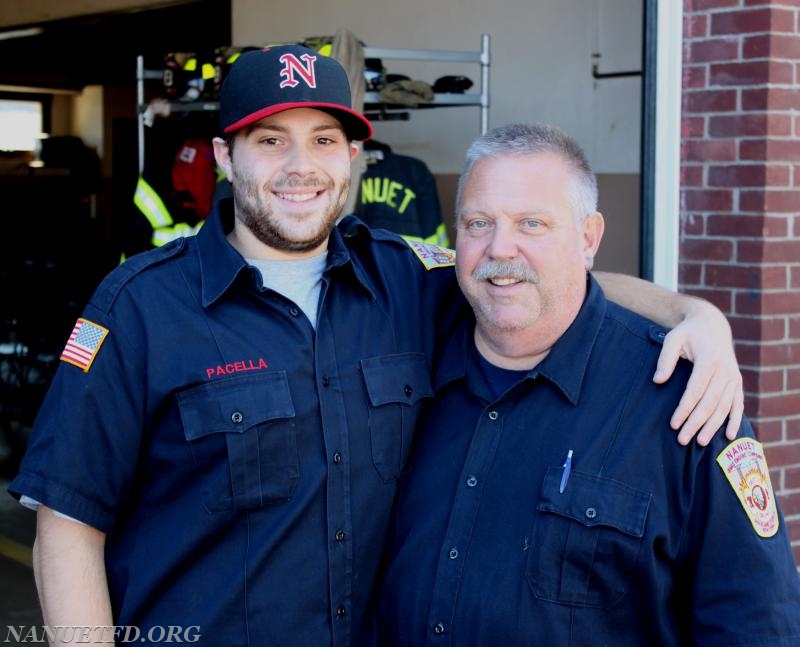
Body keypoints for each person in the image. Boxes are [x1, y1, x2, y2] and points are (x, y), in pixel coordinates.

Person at [9, 47, 740, 647]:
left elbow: (530, 274)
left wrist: (693, 311)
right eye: (271, 141)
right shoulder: (139, 306)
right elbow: (69, 526)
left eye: (324, 140)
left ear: (354, 156)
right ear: (227, 158)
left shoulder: (401, 277)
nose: (302, 166)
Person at [375, 123, 800, 646]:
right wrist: (694, 309)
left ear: (588, 237)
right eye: (478, 222)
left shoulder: (684, 401)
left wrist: (700, 316)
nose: (499, 247)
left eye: (532, 223)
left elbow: (754, 621)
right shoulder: (406, 355)